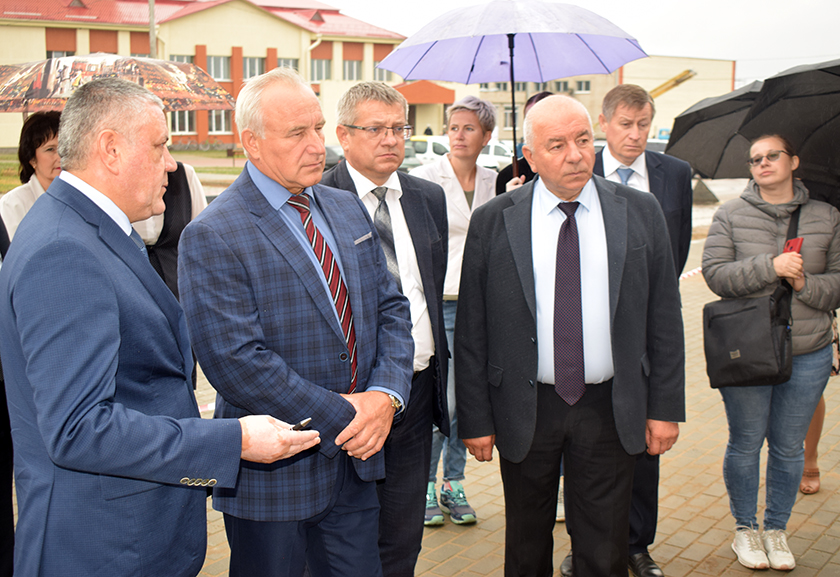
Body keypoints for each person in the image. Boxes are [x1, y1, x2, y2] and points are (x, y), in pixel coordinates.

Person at [0, 77, 320, 577]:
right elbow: (78, 429)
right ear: (110, 150)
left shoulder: (89, 229)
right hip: (104, 547)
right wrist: (233, 440)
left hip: (129, 534)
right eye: (159, 146)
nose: (171, 163)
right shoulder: (64, 249)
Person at [177, 67, 414, 577]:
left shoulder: (346, 208)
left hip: (356, 469)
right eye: (297, 133)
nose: (317, 146)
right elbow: (237, 363)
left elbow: (392, 308)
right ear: (253, 143)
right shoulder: (214, 233)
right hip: (275, 481)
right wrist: (349, 417)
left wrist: (385, 396)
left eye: (319, 128)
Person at [456, 95, 685, 577]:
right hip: (524, 406)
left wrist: (664, 409)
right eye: (557, 145)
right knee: (526, 543)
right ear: (530, 156)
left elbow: (664, 317)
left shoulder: (639, 211)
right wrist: (475, 417)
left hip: (610, 405)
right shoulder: (495, 219)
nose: (576, 154)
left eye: (583, 140)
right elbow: (473, 328)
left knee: (604, 547)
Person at [561, 84, 693, 577]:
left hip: (644, 336)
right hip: (586, 340)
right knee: (583, 457)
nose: (635, 134)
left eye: (643, 125)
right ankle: (584, 544)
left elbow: (675, 252)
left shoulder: (674, 174)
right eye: (626, 124)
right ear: (604, 124)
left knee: (644, 449)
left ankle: (637, 544)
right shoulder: (576, 167)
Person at [321, 81, 449, 577]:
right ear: (343, 135)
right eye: (376, 128)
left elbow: (427, 291)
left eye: (399, 128)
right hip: (347, 399)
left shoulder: (427, 198)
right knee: (342, 540)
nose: (391, 139)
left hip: (414, 393)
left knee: (402, 534)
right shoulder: (316, 198)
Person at [702, 134, 840, 571]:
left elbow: (837, 283)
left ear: (793, 161)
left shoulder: (826, 216)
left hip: (809, 351)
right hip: (748, 350)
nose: (762, 163)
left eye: (772, 155)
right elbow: (715, 274)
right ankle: (745, 529)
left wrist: (804, 284)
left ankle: (776, 530)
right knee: (746, 442)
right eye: (755, 159)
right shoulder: (730, 214)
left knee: (788, 447)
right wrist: (771, 267)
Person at [410, 95, 497, 526]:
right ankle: (425, 486)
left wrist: (514, 196)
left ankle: (454, 483)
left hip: (481, 305)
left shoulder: (497, 181)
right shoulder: (425, 178)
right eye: (454, 127)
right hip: (440, 303)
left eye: (469, 128)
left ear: (486, 135)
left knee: (468, 399)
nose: (459, 135)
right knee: (440, 400)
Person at [133, 161, 207, 299]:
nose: (170, 161)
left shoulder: (184, 176)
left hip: (180, 293)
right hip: (132, 292)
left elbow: (202, 242)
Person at [0, 110, 61, 239]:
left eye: (64, 148)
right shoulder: (13, 204)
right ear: (32, 159)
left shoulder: (81, 198)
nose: (60, 156)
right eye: (50, 149)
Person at [495, 91, 552, 195]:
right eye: (529, 120)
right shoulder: (509, 176)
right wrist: (510, 200)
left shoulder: (576, 168)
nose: (535, 126)